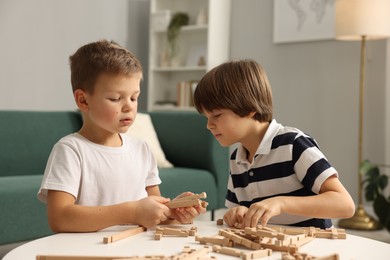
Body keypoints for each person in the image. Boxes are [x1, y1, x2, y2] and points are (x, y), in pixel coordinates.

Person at [38, 40, 204, 233]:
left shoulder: (141, 149)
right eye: (116, 98)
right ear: (83, 100)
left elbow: (151, 216)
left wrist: (172, 213)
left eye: (134, 97)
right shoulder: (71, 150)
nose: (129, 107)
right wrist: (132, 211)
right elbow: (60, 218)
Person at [193, 59, 355, 229]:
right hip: (271, 248)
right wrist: (238, 212)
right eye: (206, 117)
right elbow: (239, 210)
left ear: (249, 108)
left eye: (217, 115)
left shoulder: (293, 144)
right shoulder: (237, 159)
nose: (208, 125)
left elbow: (345, 204)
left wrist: (281, 203)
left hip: (310, 248)